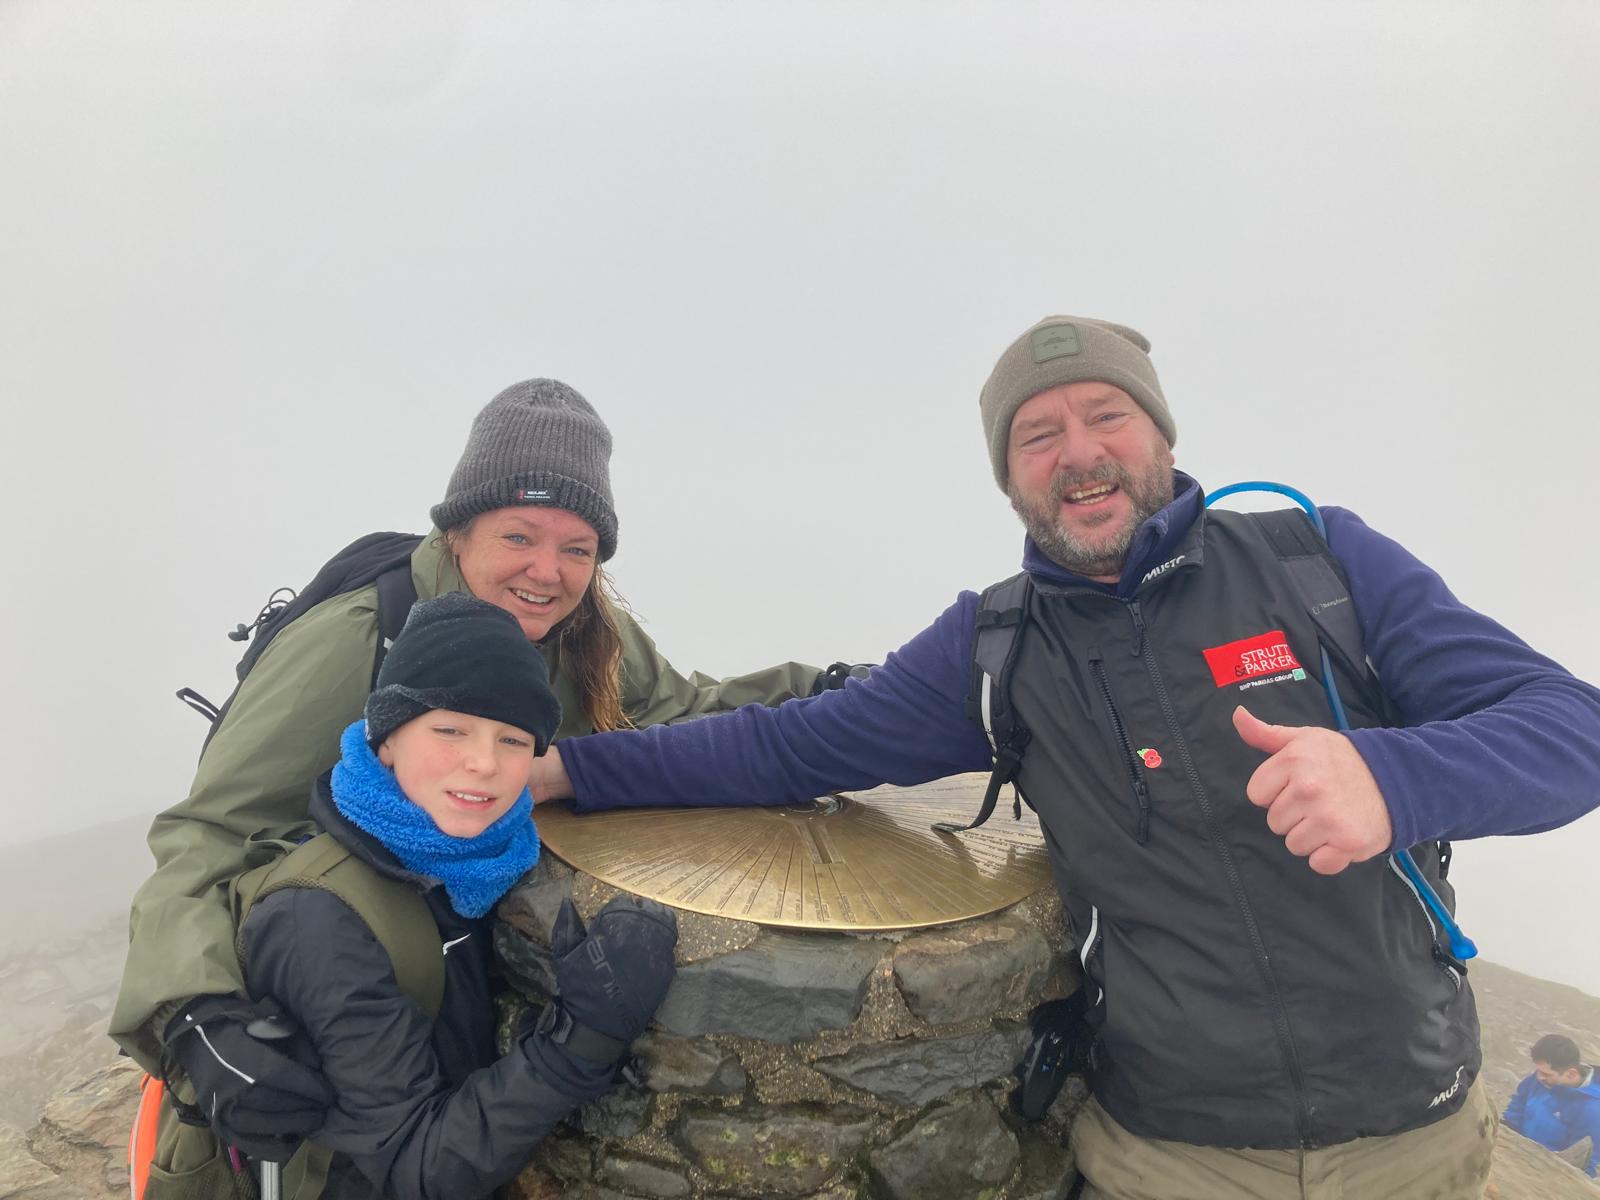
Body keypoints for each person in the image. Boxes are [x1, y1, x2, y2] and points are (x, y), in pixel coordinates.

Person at [530, 317, 1600, 1199]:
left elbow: (1572, 726)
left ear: (1160, 435)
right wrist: (570, 773)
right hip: (1165, 1156)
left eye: (1106, 415)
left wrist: (1394, 778)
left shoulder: (1317, 563)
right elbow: (792, 742)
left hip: (1413, 1140)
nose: (1077, 451)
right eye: (1036, 434)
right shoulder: (997, 645)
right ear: (1009, 479)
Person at [112, 378, 837, 1146]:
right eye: (519, 537)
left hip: (460, 990)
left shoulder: (588, 632)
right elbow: (213, 831)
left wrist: (827, 694)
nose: (547, 572)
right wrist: (196, 1016)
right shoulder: (359, 638)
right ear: (458, 532)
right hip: (338, 1005)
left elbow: (678, 711)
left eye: (577, 549)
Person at [160, 592, 678, 1198]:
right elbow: (414, 1166)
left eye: (513, 740)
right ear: (386, 741)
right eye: (450, 729)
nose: (483, 763)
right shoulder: (320, 916)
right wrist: (584, 1037)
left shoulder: (484, 857)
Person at [1502, 1034, 1600, 1177]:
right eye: (1538, 1071)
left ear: (1571, 1074)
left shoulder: (1592, 1110)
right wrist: (1508, 1129)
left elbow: (1585, 1162)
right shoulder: (1541, 1078)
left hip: (1547, 1172)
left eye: (1546, 1074)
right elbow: (1518, 1105)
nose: (1539, 1077)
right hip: (1518, 1154)